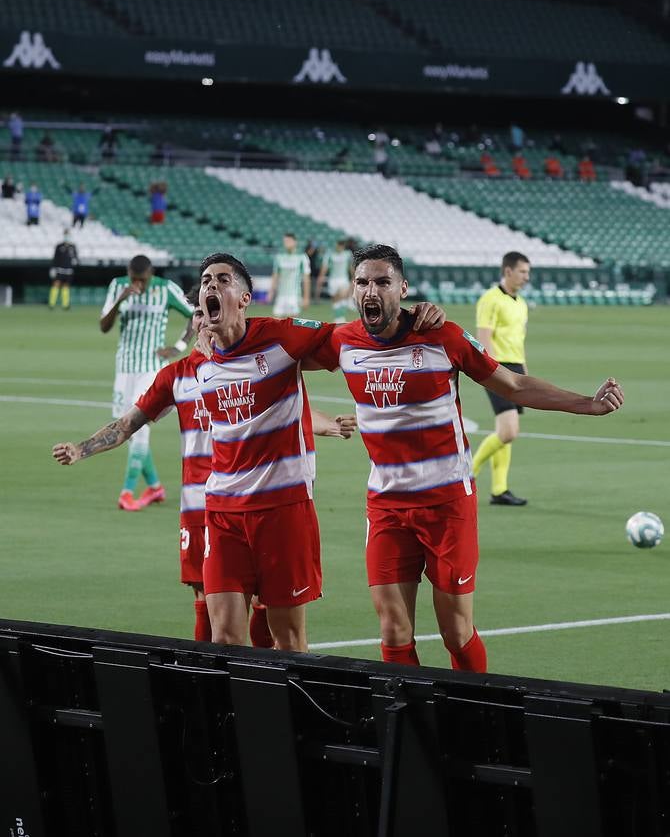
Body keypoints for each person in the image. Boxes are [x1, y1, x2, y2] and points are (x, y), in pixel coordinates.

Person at [308, 244, 623, 671]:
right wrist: (218, 335)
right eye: (362, 281)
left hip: (447, 505)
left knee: (455, 632)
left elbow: (511, 384)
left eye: (382, 282)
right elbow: (275, 354)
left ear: (402, 288)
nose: (371, 290)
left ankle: (474, 724)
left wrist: (586, 403)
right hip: (386, 506)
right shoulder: (342, 341)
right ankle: (409, 729)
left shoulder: (443, 336)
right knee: (392, 630)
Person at [53, 294, 356, 646]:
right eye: (196, 314)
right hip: (202, 507)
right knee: (208, 604)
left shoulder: (254, 358)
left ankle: (264, 676)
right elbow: (126, 424)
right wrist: (81, 448)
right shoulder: (178, 377)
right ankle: (211, 683)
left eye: (204, 313)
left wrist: (324, 424)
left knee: (265, 606)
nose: (200, 320)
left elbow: (283, 406)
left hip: (261, 499)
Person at [193, 252, 445, 654]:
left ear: (244, 297)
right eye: (206, 280)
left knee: (288, 640)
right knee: (223, 637)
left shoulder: (282, 336)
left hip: (282, 510)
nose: (211, 286)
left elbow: (358, 334)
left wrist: (413, 314)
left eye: (222, 280)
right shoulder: (198, 360)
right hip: (222, 510)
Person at [100, 254, 194, 511]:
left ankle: (127, 492)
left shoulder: (165, 290)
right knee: (124, 427)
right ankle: (155, 487)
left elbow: (195, 314)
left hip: (151, 370)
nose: (137, 285)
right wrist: (121, 300)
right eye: (134, 279)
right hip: (124, 367)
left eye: (141, 280)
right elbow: (104, 326)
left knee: (138, 427)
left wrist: (178, 346)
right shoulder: (118, 286)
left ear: (150, 274)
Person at [471, 252, 531, 506]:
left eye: (528, 272)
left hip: (515, 367)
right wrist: (494, 372)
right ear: (508, 271)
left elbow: (518, 341)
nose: (527, 277)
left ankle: (499, 489)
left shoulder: (521, 303)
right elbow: (484, 338)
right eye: (522, 272)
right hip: (498, 367)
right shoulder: (490, 299)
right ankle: (466, 473)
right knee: (508, 432)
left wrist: (524, 371)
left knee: (504, 430)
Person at [267, 232, 311, 317]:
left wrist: (306, 297)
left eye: (288, 241)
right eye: (285, 241)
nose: (286, 243)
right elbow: (275, 276)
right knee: (276, 323)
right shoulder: (279, 257)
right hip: (281, 296)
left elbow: (306, 279)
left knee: (292, 326)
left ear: (295, 242)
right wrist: (271, 292)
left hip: (294, 297)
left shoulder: (302, 257)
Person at [315, 237, 354, 322]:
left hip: (343, 279)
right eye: (339, 244)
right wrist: (321, 277)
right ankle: (338, 318)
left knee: (342, 297)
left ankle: (341, 318)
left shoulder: (347, 254)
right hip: (333, 280)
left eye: (342, 244)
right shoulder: (329, 254)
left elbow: (350, 267)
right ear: (336, 244)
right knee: (335, 300)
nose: (340, 246)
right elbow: (324, 267)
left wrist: (353, 277)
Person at [48, 229, 78, 310]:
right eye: (66, 235)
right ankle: (51, 304)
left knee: (66, 287)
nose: (67, 237)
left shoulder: (73, 247)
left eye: (68, 235)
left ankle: (65, 305)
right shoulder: (59, 246)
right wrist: (53, 268)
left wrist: (75, 260)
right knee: (56, 285)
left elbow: (76, 258)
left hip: (69, 270)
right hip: (59, 269)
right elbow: (55, 258)